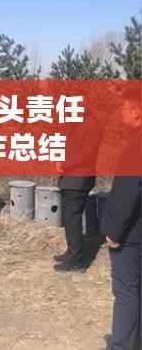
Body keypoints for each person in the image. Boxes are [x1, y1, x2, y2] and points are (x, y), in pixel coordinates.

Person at [103, 92, 141, 350]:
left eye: (125, 109)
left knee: (126, 293)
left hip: (131, 235)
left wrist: (115, 232)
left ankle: (121, 346)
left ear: (137, 112)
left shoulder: (136, 145)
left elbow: (128, 193)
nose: (121, 114)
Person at [54, 110, 103, 272]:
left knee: (72, 218)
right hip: (70, 178)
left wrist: (64, 164)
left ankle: (77, 260)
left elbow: (87, 153)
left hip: (79, 179)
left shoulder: (93, 124)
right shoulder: (77, 121)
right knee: (69, 218)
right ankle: (72, 251)